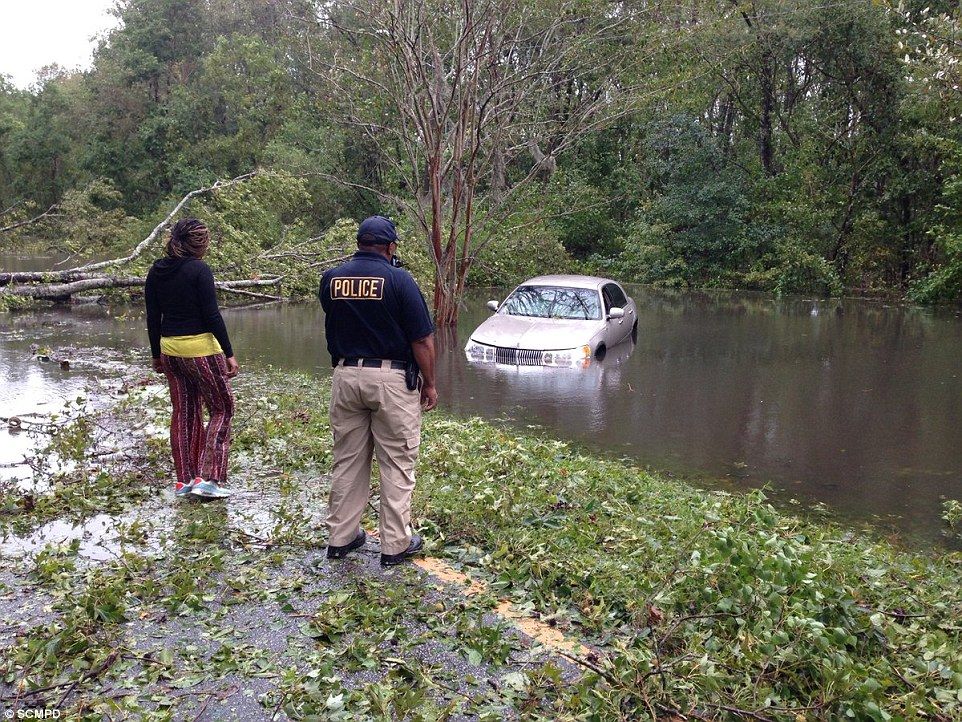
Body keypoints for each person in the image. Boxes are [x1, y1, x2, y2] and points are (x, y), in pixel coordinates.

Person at [319, 215, 437, 566]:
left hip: (346, 376)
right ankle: (395, 546)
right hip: (390, 380)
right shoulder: (399, 280)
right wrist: (430, 383)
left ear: (358, 243)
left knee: (348, 460)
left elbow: (335, 317)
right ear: (390, 247)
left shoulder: (331, 279)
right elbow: (422, 339)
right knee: (397, 462)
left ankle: (340, 539)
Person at [145, 218, 239, 500]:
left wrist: (156, 355)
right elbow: (212, 315)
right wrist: (230, 354)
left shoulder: (157, 270)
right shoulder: (199, 270)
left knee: (184, 414)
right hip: (201, 351)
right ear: (200, 244)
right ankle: (211, 479)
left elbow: (153, 317)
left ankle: (185, 481)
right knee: (222, 409)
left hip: (170, 351)